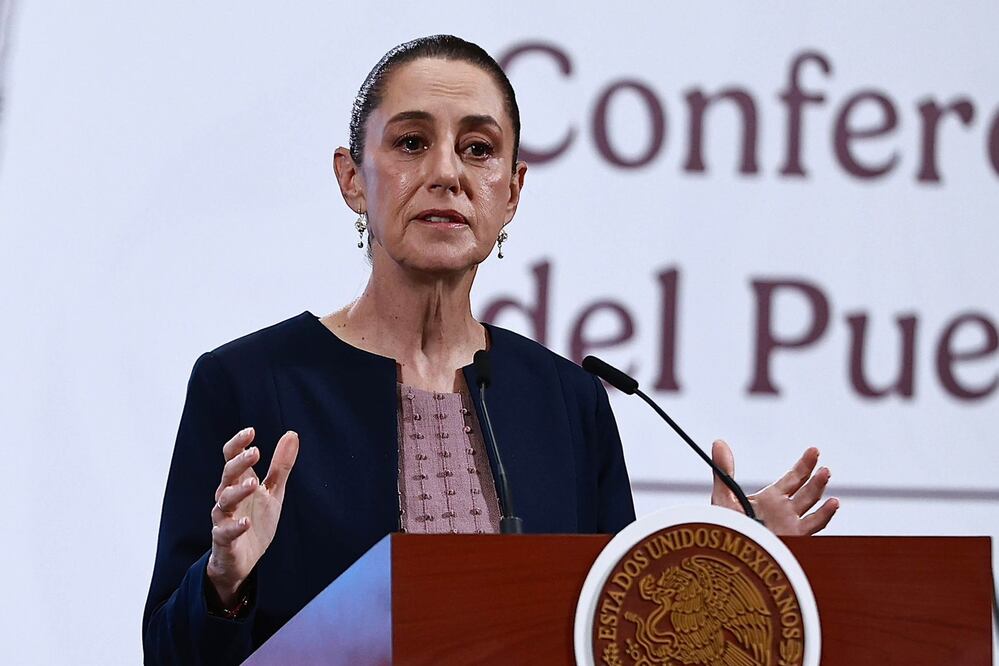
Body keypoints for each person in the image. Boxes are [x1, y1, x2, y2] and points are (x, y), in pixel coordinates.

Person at [142, 35, 839, 665]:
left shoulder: (566, 401)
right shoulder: (248, 382)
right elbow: (169, 656)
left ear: (511, 191)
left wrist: (718, 560)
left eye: (478, 149)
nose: (446, 173)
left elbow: (608, 639)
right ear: (353, 177)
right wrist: (224, 584)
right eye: (411, 142)